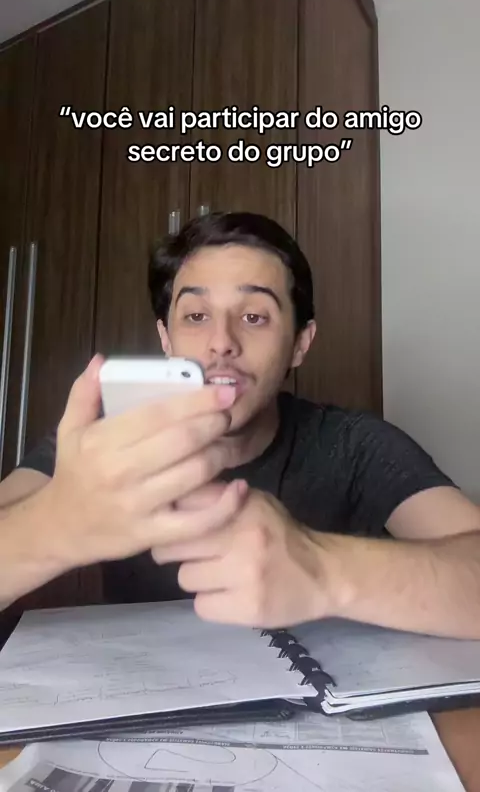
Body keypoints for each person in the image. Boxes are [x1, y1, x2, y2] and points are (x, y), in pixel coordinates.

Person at [1, 211, 479, 637]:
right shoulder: (105, 445)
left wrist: (324, 568)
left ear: (300, 343)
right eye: (196, 315)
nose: (222, 341)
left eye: (254, 316)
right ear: (165, 338)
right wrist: (57, 522)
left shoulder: (355, 445)